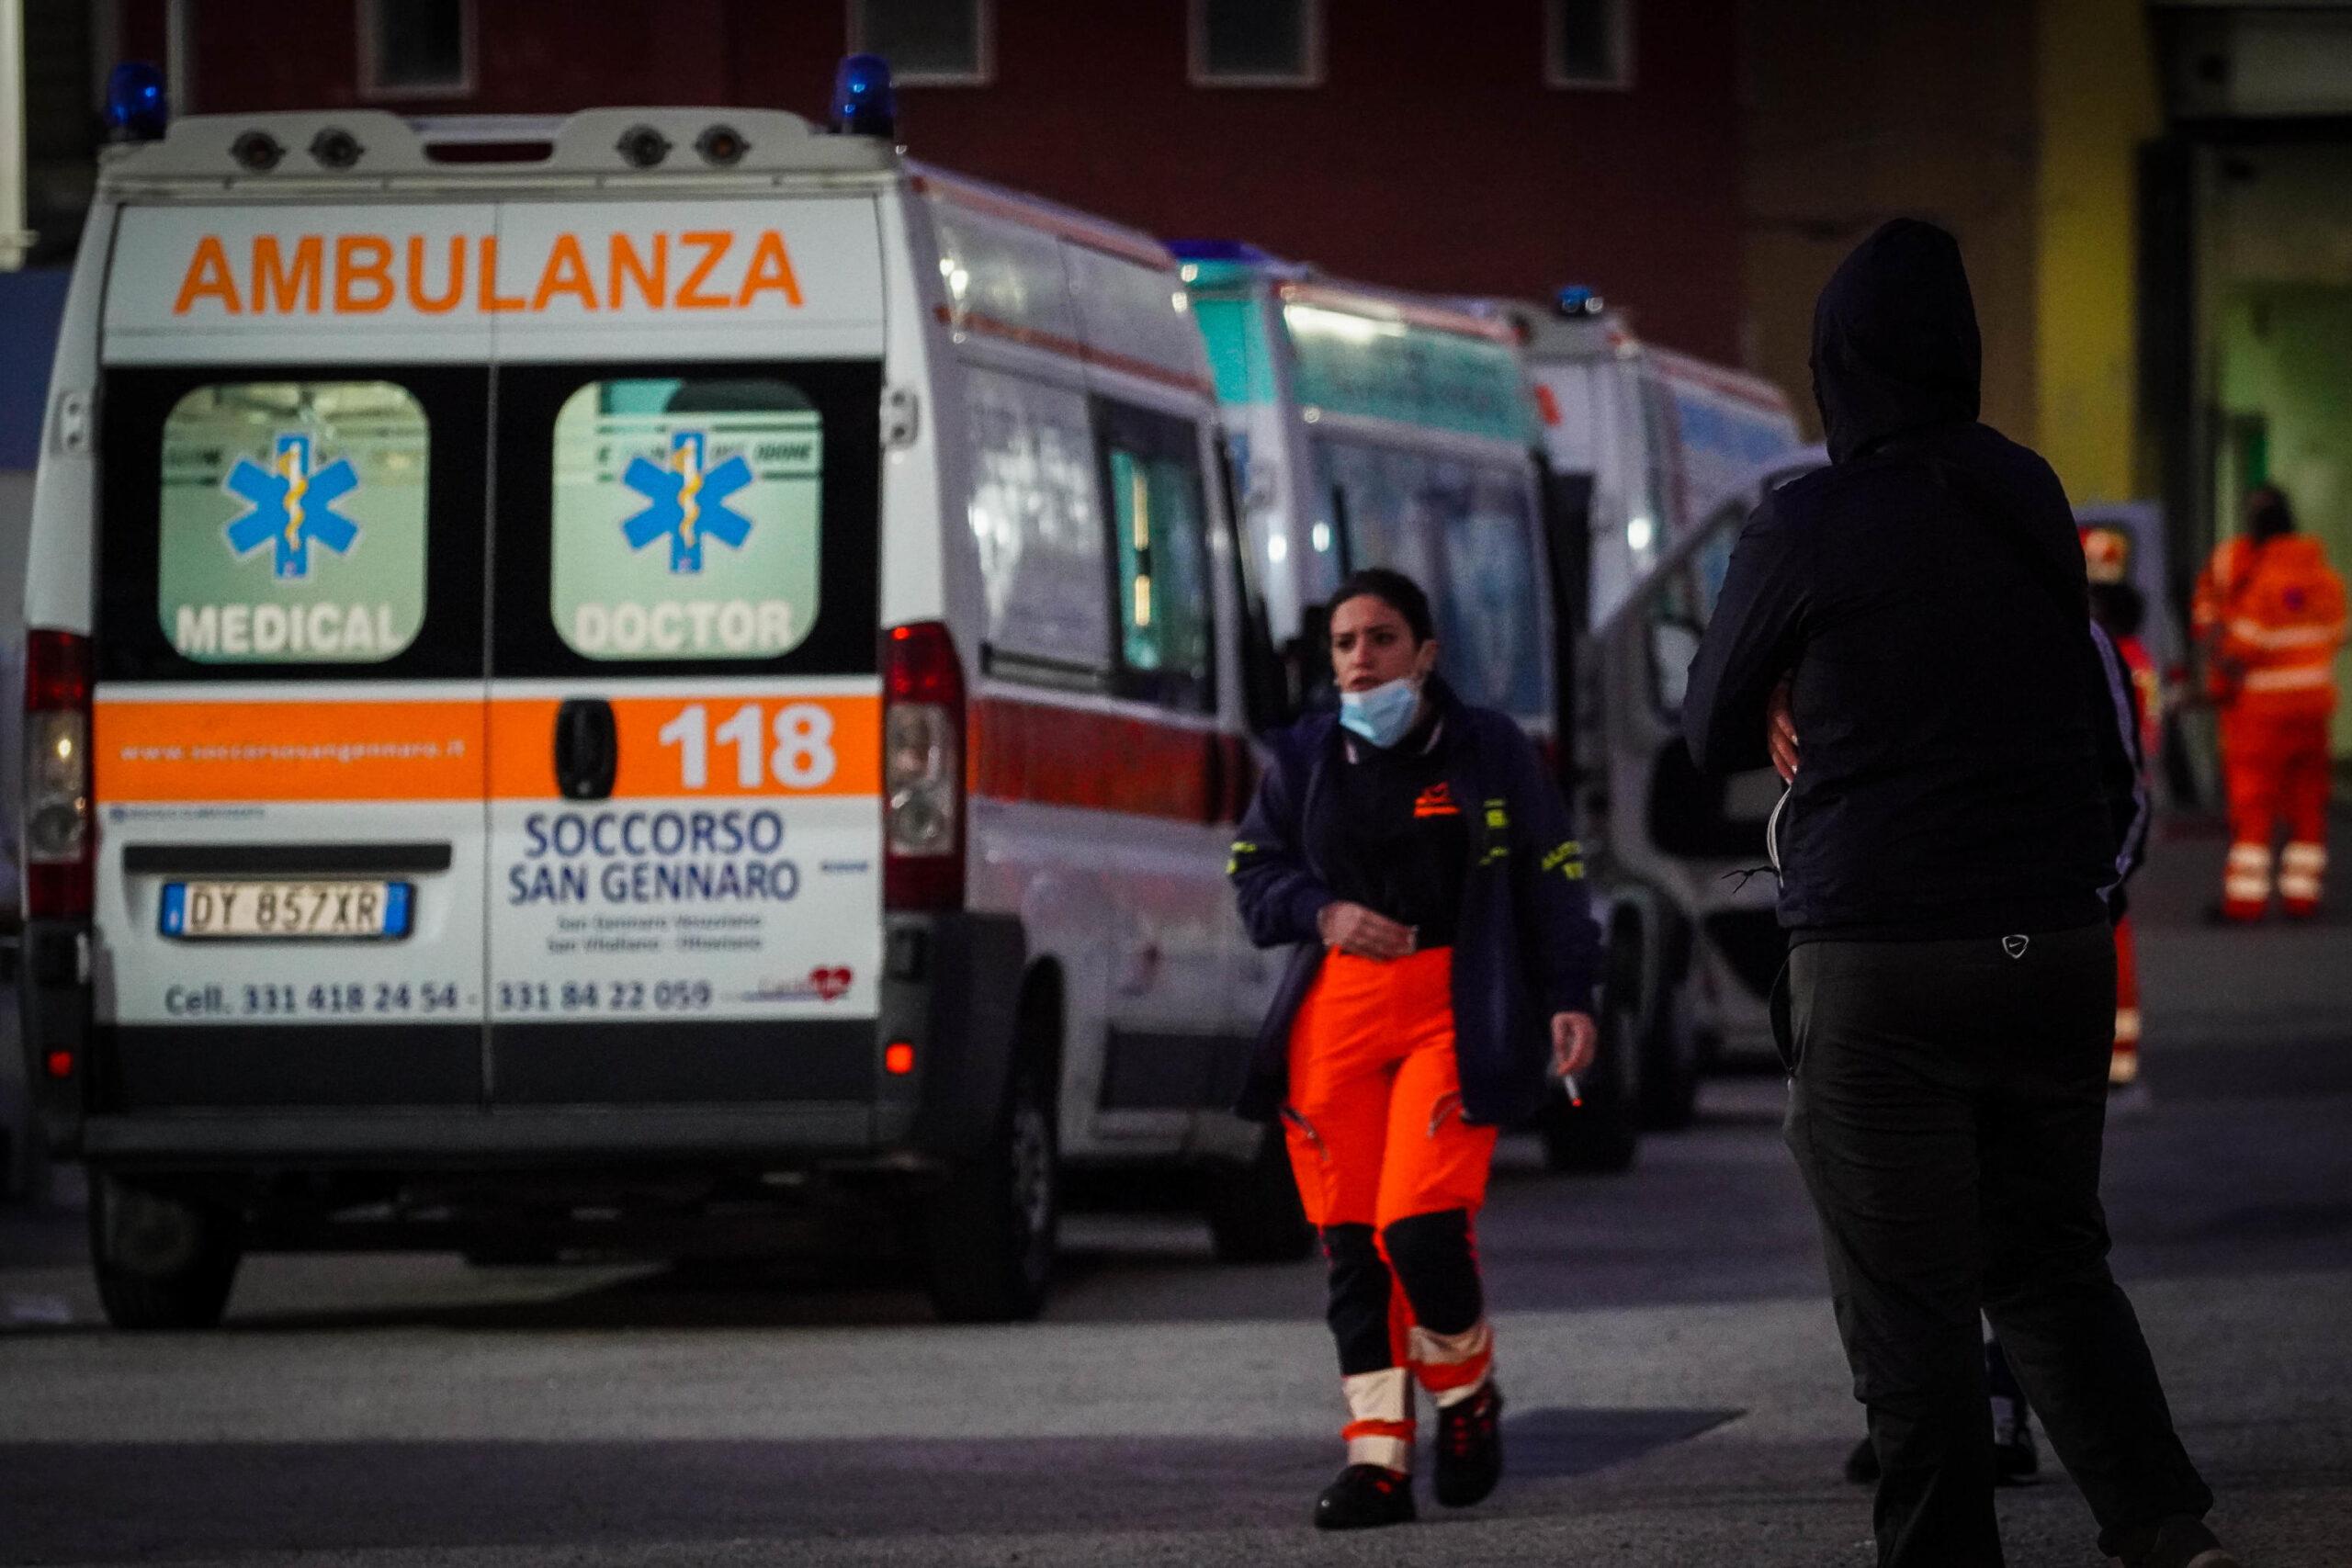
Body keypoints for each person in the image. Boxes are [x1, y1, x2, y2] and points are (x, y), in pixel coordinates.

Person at [1684, 219, 2233, 1568]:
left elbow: (1701, 721)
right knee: (2049, 1258)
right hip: (2049, 945)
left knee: (1909, 1305)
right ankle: (2168, 1528)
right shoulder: (2031, 495)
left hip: (1882, 949)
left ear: (1838, 371)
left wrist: (1766, 686)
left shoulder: (1809, 518)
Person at [1227, 567, 1600, 1530]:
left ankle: (1467, 1395)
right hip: (1336, 1015)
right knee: (1351, 1247)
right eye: (1345, 643)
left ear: (1425, 655)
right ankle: (1378, 1464)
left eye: (1382, 639)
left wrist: (1570, 994)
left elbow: (1552, 875)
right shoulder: (1304, 756)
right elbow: (1255, 874)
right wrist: (1325, 911)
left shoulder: (1489, 750)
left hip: (1455, 1005)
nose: (1361, 659)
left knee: (1418, 1227)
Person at [2190, 484, 2346, 921]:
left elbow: (2243, 647)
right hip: (2312, 711)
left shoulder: (2261, 580)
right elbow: (2339, 632)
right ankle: (2302, 898)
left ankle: (2245, 901)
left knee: (2253, 807)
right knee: (2308, 805)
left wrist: (2219, 669)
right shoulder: (2323, 578)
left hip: (2260, 716)